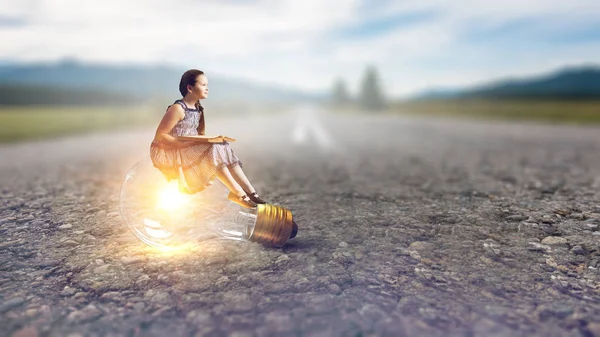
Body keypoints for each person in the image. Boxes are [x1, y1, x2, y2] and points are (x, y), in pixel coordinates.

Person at [150, 69, 266, 208]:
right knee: (215, 150)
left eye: (207, 85)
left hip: (188, 146)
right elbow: (160, 136)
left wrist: (206, 140)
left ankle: (250, 192)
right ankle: (238, 192)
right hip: (169, 150)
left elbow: (194, 133)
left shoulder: (197, 109)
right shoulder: (177, 108)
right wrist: (180, 144)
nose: (207, 88)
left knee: (223, 145)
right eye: (203, 84)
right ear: (190, 88)